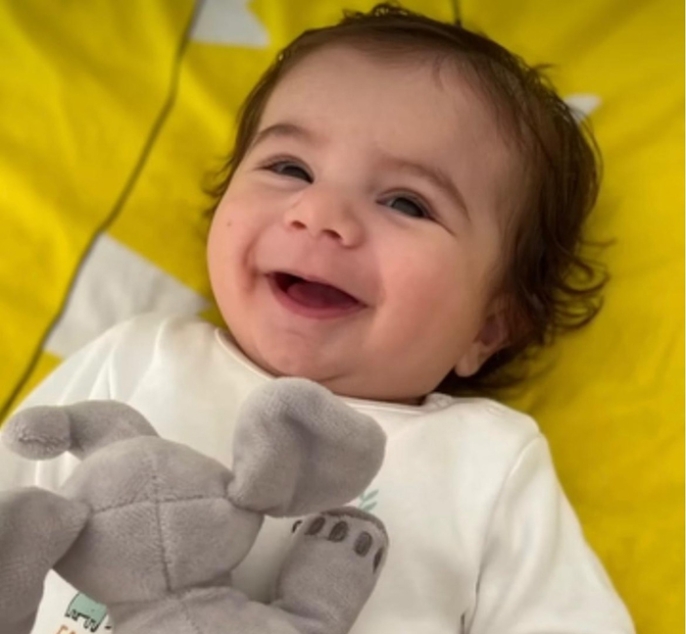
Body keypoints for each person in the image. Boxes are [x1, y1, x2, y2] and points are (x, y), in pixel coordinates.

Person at [0, 3, 635, 633]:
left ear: (488, 328)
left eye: (408, 203)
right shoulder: (139, 357)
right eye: (289, 168)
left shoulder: (488, 461)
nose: (320, 212)